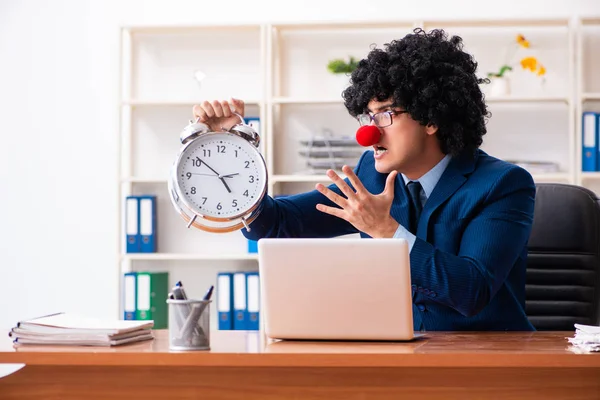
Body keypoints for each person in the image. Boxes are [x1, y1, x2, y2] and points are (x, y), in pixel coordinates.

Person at [192, 28, 536, 332]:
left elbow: (471, 291)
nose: (369, 133)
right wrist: (230, 148)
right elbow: (276, 224)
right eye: (368, 116)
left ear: (432, 118)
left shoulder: (503, 185)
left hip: (490, 362)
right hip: (401, 357)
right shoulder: (372, 174)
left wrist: (387, 231)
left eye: (385, 114)